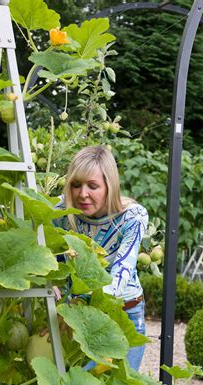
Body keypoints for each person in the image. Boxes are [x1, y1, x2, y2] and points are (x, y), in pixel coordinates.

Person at [53, 145, 149, 371]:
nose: (82, 194)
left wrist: (75, 307)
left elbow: (120, 276)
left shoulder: (131, 217)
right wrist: (53, 295)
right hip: (75, 315)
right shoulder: (61, 213)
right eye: (76, 185)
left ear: (110, 186)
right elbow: (48, 258)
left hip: (124, 314)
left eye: (92, 186)